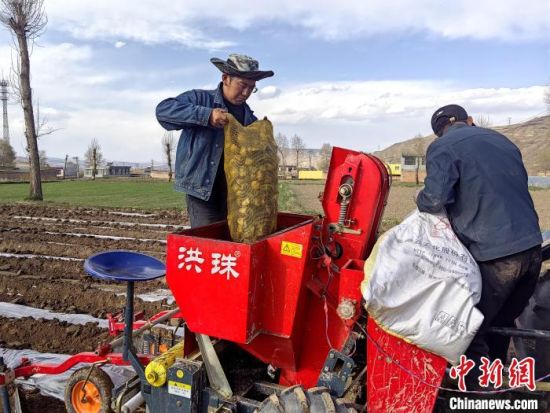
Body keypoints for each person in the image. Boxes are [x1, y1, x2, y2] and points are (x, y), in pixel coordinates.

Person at [416, 104, 542, 389]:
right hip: (533, 248)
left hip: (496, 255)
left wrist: (420, 197)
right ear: (469, 121)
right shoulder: (503, 141)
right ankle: (493, 383)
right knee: (501, 324)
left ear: (439, 133)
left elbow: (434, 200)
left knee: (466, 329)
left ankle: (474, 397)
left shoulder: (443, 148)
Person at [155, 54, 274, 227]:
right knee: (210, 240)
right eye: (242, 85)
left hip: (237, 195)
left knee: (233, 241)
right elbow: (163, 111)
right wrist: (207, 115)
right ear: (226, 78)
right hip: (202, 191)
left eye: (251, 88)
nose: (246, 93)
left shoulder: (250, 119)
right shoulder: (200, 99)